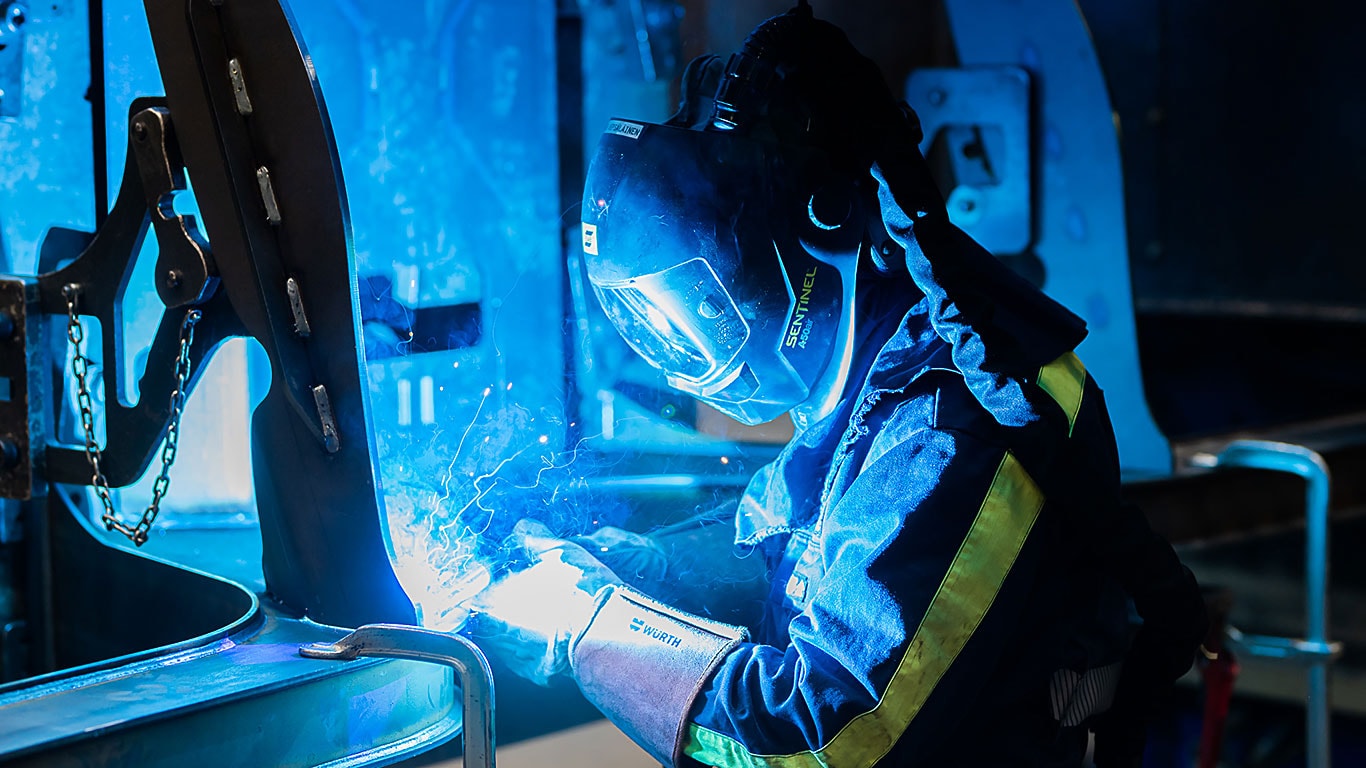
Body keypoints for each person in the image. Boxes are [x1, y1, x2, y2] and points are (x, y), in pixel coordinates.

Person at [462, 4, 1207, 766]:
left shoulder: (956, 427)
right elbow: (804, 566)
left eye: (703, 315)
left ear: (824, 223)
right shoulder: (872, 391)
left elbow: (827, 744)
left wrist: (595, 627)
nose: (686, 359)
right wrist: (650, 574)